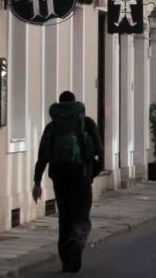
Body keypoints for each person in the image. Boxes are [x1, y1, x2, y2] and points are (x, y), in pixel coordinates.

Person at [32, 91, 103, 273]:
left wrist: (37, 182)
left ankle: (66, 260)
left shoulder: (52, 127)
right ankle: (76, 241)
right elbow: (100, 153)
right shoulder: (86, 123)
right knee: (81, 215)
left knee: (65, 217)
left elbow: (42, 156)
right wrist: (92, 174)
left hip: (59, 177)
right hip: (81, 176)